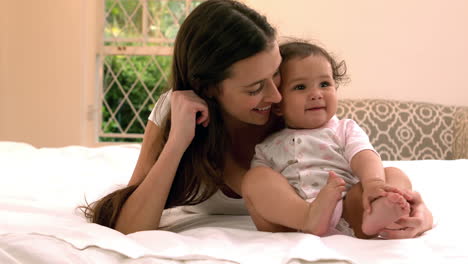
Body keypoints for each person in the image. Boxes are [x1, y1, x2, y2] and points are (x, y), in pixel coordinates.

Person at [81, 0, 433, 239]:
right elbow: (130, 227)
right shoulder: (175, 112)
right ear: (210, 89)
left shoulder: (289, 109)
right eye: (254, 88)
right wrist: (177, 143)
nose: (276, 96)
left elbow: (360, 164)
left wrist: (419, 215)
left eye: (276, 74)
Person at [242, 40, 433, 239]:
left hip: (351, 213)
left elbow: (363, 154)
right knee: (254, 180)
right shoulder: (268, 146)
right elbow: (261, 194)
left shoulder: (344, 129)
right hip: (293, 220)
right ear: (278, 103)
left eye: (325, 84)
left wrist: (373, 184)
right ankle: (309, 217)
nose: (316, 94)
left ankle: (383, 216)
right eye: (300, 87)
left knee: (394, 174)